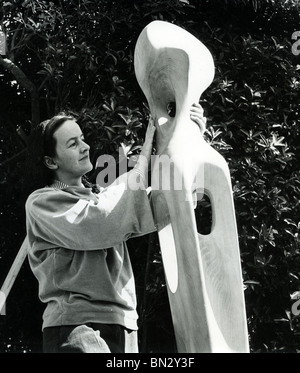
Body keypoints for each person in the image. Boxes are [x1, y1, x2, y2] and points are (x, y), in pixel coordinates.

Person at [25, 103, 207, 353]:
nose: (85, 147)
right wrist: (144, 156)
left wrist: (192, 139)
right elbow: (102, 220)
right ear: (50, 161)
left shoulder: (102, 198)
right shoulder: (42, 203)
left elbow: (177, 202)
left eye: (82, 139)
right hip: (77, 326)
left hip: (123, 324)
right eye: (72, 144)